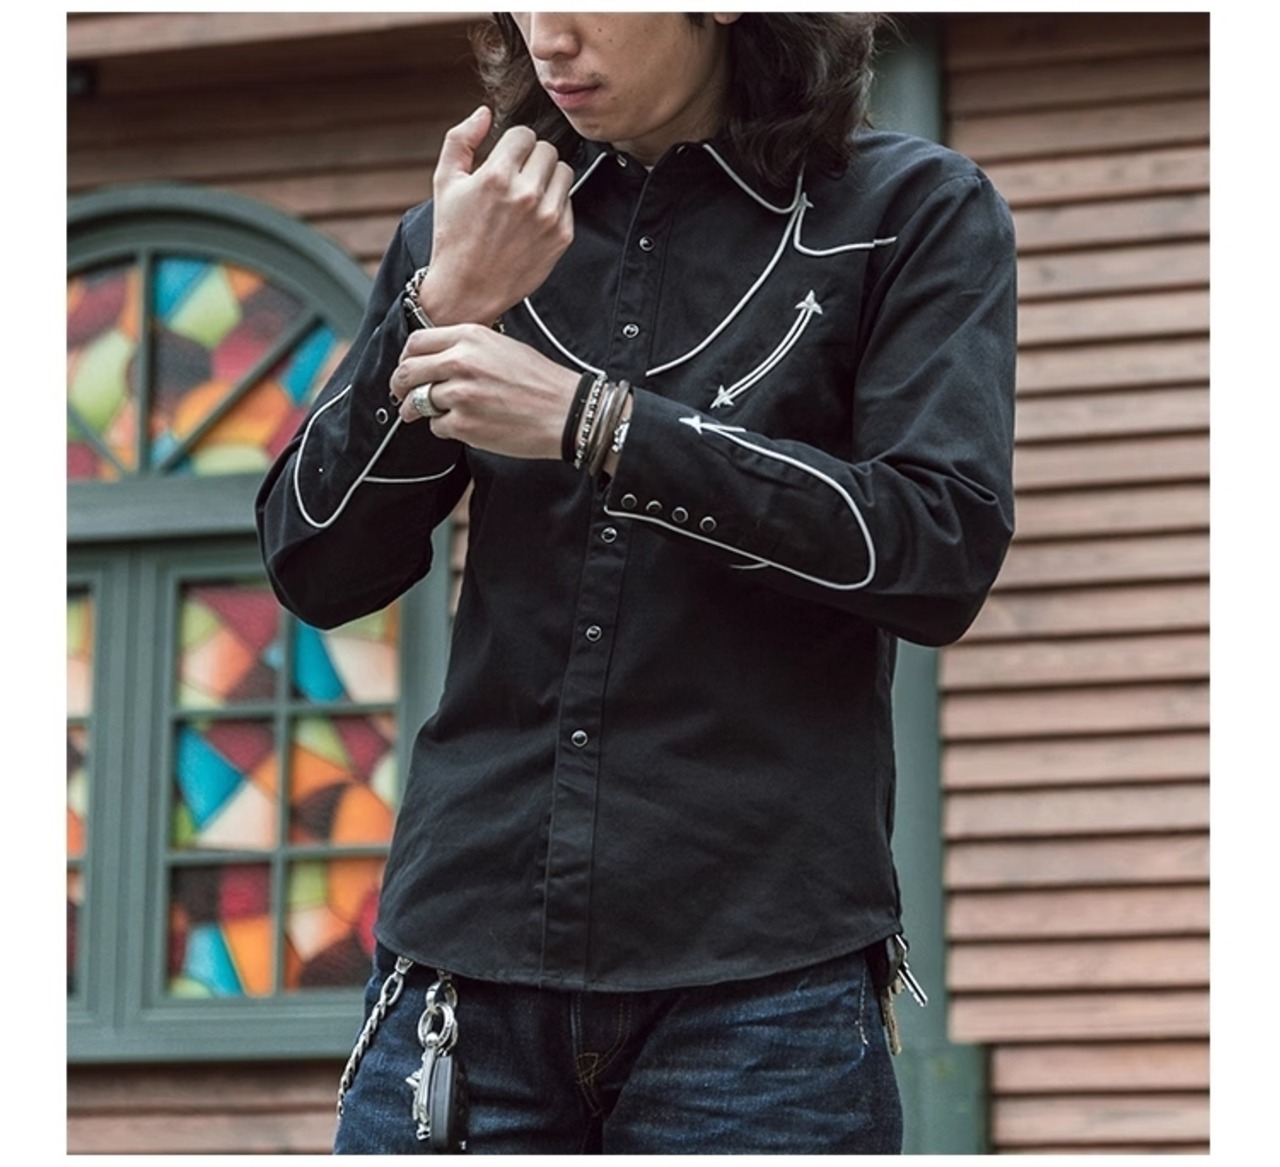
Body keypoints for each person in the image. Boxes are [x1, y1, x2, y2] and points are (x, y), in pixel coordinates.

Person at [256, 11, 1016, 1155]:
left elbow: (935, 545)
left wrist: (596, 425)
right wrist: (440, 303)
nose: (547, 36)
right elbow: (312, 564)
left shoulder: (908, 212)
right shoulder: (475, 231)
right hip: (460, 975)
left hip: (761, 994)